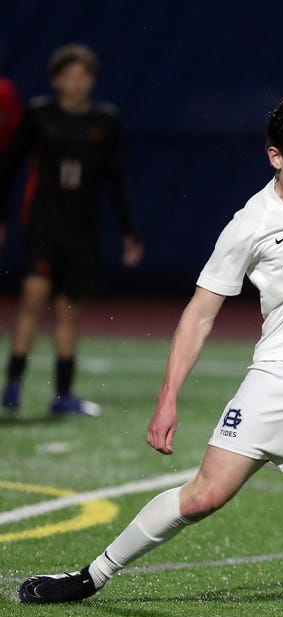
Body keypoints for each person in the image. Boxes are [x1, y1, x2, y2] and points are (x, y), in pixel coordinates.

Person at [18, 95, 283, 605]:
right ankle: (91, 576)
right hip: (282, 374)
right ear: (275, 157)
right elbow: (199, 314)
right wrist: (168, 398)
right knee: (204, 496)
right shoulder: (250, 225)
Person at [0, 44, 143, 416]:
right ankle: (13, 383)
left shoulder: (105, 121)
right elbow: (10, 167)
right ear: (57, 79)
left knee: (68, 309)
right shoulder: (38, 114)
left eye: (84, 77)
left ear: (92, 81)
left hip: (82, 229)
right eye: (70, 76)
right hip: (43, 223)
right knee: (32, 297)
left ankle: (62, 394)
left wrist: (129, 231)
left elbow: (116, 180)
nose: (77, 84)